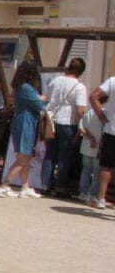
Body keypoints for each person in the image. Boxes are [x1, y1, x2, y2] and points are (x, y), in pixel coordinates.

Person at [0, 60, 45, 199]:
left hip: (26, 122)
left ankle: (25, 186)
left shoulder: (22, 87)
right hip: (25, 124)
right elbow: (38, 104)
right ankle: (5, 186)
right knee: (23, 158)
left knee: (26, 157)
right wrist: (44, 99)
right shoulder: (25, 88)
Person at [40, 57, 88, 197]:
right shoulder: (79, 87)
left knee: (49, 155)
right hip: (68, 123)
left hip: (52, 120)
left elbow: (47, 98)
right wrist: (82, 125)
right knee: (64, 157)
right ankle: (60, 187)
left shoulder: (56, 81)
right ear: (81, 71)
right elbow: (80, 110)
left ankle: (45, 185)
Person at [88, 72, 115, 209]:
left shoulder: (113, 81)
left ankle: (101, 198)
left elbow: (93, 96)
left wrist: (102, 117)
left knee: (106, 166)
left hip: (112, 129)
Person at [79, 92, 106, 205]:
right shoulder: (104, 114)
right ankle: (92, 194)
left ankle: (83, 193)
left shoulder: (88, 112)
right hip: (98, 147)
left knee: (85, 170)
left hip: (86, 145)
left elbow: (81, 127)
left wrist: (90, 138)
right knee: (96, 173)